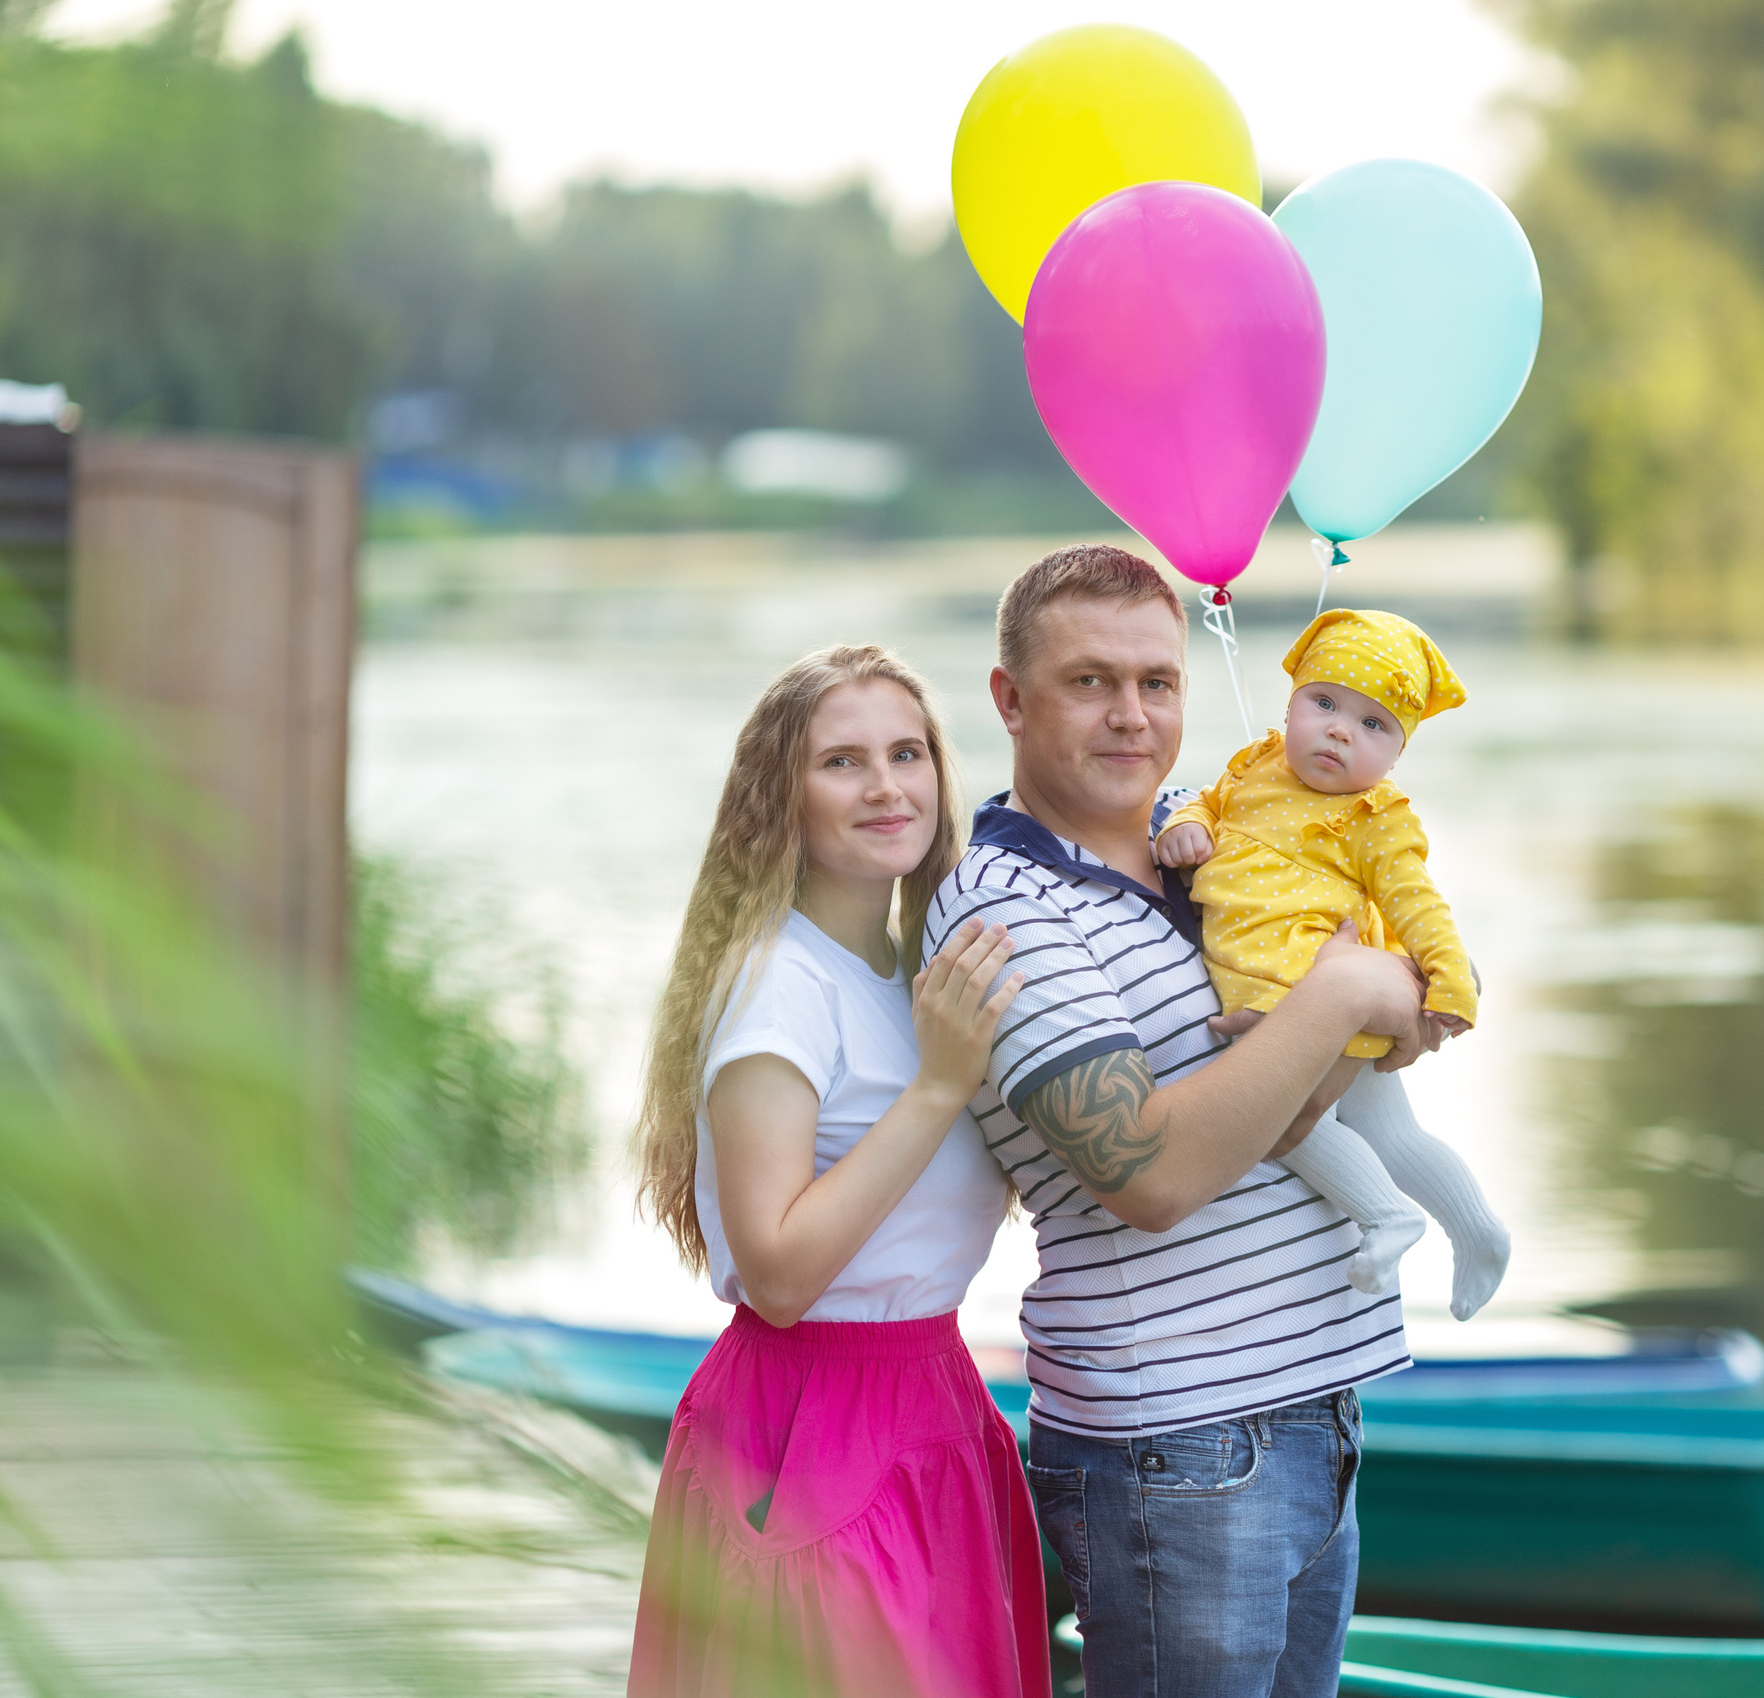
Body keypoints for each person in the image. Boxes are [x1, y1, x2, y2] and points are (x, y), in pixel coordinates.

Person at [924, 546, 1437, 1698]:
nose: (1131, 716)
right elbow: (1146, 1173)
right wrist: (1342, 997)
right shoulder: (1005, 912)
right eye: (1089, 682)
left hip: (1314, 1411)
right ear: (1009, 699)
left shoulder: (1204, 838)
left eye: (1157, 683)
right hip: (1180, 1446)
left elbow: (1403, 998)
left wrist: (1371, 995)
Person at [626, 644, 1049, 1698]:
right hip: (811, 1423)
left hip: (936, 1406)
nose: (886, 786)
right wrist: (938, 1089)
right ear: (781, 798)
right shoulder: (780, 987)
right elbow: (776, 1272)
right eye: (842, 762)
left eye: (907, 753)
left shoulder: (912, 978)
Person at [1157, 608, 1510, 1321]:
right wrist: (1185, 825)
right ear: (1289, 705)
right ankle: (1481, 1232)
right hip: (1298, 986)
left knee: (1285, 1122)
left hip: (1301, 993)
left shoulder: (1375, 816)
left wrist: (1450, 984)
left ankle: (1387, 1217)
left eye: (1374, 725)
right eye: (1324, 705)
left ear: (1398, 753)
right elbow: (1206, 801)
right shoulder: (1254, 765)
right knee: (1389, 1133)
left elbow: (1420, 906)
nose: (1341, 730)